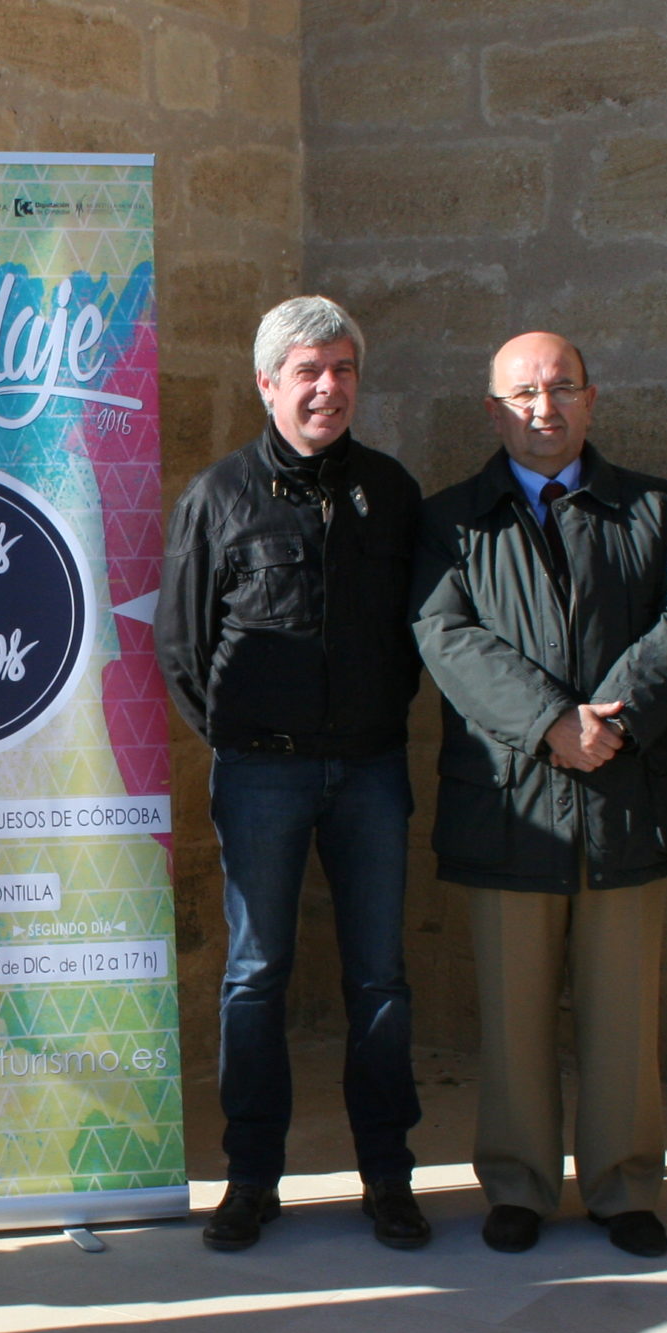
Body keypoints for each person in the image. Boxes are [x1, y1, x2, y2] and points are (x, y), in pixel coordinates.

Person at [415, 332, 667, 1258]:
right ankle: (519, 1183)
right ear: (493, 409)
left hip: (622, 795)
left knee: (624, 1008)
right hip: (511, 801)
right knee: (511, 1010)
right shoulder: (452, 519)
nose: (542, 406)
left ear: (592, 399)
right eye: (522, 393)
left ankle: (625, 1185)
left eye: (561, 388)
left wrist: (611, 722)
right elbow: (445, 631)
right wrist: (551, 721)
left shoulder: (655, 507)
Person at [156, 296, 430, 1253]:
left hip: (369, 772)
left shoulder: (393, 494)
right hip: (260, 778)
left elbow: (422, 634)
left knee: (380, 977)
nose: (328, 387)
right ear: (267, 384)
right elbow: (183, 646)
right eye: (308, 371)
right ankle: (250, 1177)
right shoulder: (218, 496)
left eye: (344, 369)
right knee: (254, 976)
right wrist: (243, 740)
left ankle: (389, 1176)